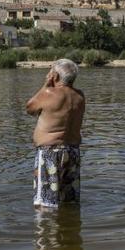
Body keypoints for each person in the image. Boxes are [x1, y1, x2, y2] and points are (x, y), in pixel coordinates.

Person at [25, 59, 85, 208]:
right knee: (69, 203)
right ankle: (70, 229)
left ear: (55, 76)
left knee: (44, 204)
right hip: (72, 152)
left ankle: (44, 230)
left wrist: (46, 84)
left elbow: (30, 109)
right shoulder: (80, 96)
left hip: (49, 152)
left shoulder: (48, 93)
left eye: (51, 71)